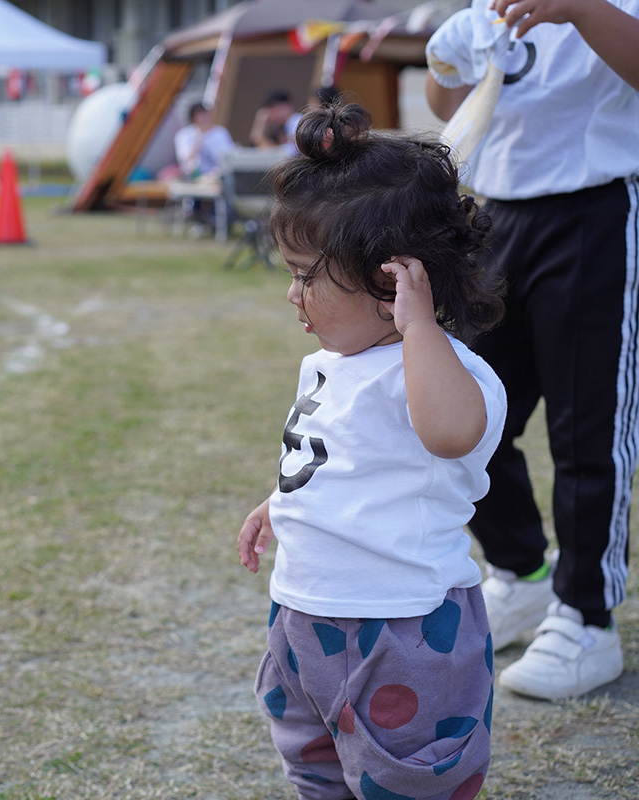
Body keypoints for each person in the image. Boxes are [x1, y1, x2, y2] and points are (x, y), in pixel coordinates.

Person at [238, 102, 507, 800]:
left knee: (408, 775)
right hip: (305, 616)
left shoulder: (446, 371)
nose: (292, 294)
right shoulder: (329, 363)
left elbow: (449, 434)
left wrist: (419, 329)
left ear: (392, 279)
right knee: (315, 760)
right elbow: (333, 457)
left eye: (305, 274)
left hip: (403, 628)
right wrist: (281, 504)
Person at [425, 0, 639, 700]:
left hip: (598, 207)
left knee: (587, 430)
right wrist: (441, 58)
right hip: (495, 214)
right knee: (459, 413)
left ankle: (586, 619)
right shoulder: (486, 6)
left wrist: (577, 9)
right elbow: (447, 100)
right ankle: (521, 571)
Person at [173, 102, 235, 179]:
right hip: (192, 177)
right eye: (200, 114)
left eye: (206, 113)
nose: (205, 117)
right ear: (193, 117)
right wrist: (200, 137)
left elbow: (229, 157)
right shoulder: (184, 134)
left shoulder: (221, 132)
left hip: (218, 176)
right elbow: (184, 159)